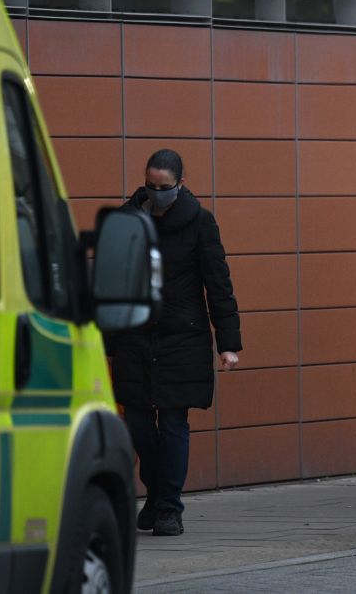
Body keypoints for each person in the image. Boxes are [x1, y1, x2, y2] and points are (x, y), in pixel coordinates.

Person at [104, 149, 241, 537]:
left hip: (182, 337)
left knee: (173, 422)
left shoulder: (200, 222)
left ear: (180, 183)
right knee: (139, 425)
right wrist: (107, 344)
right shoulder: (126, 220)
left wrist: (228, 343)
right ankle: (157, 495)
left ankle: (168, 507)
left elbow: (218, 284)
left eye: (164, 186)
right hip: (134, 337)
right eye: (150, 184)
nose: (156, 191)